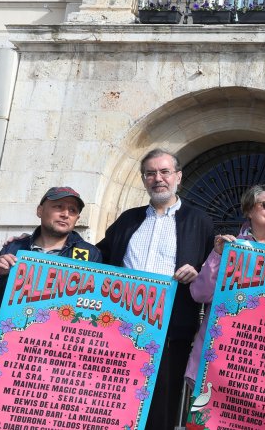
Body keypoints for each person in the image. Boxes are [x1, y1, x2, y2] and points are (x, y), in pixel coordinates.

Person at [96, 148, 214, 430]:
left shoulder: (200, 221)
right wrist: (45, 249)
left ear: (178, 176)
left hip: (172, 331)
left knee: (162, 409)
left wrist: (198, 272)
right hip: (122, 328)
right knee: (115, 404)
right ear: (143, 179)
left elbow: (214, 269)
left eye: (164, 172)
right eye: (150, 173)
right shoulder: (128, 219)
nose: (158, 179)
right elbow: (97, 255)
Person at [185, 184, 265, 383]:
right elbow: (200, 294)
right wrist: (217, 255)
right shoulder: (228, 247)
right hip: (220, 355)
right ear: (249, 210)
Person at [0, 186, 102, 362]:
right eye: (58, 207)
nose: (65, 214)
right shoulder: (15, 247)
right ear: (40, 210)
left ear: (77, 219)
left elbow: (91, 316)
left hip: (57, 360)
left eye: (72, 210)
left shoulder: (89, 255)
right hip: (6, 355)